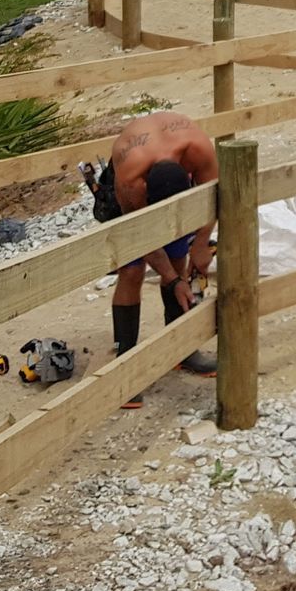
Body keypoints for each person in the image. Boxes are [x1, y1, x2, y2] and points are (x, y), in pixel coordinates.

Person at [107, 110, 219, 407]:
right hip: (129, 197)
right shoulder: (131, 177)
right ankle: (125, 362)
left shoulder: (198, 149)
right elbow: (141, 234)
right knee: (131, 271)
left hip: (174, 175)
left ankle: (180, 350)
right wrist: (171, 281)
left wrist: (201, 243)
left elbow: (214, 195)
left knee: (178, 257)